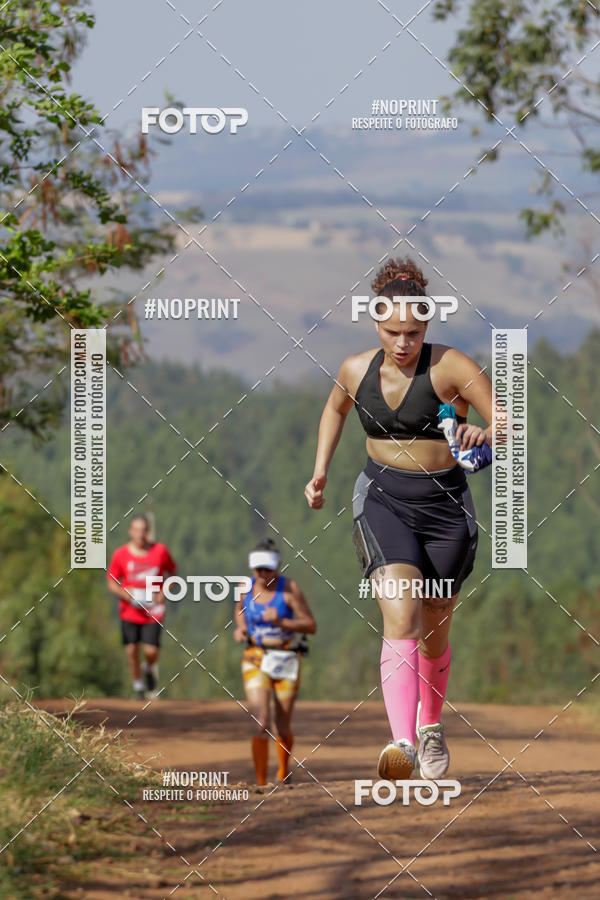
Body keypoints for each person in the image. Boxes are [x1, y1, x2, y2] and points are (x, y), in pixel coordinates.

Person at [304, 257, 493, 780]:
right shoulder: (354, 369)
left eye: (413, 332)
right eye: (392, 332)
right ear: (375, 323)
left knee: (434, 625)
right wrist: (320, 472)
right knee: (401, 614)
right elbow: (335, 410)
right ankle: (402, 744)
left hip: (446, 508)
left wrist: (485, 435)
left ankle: (430, 726)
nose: (403, 342)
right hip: (383, 500)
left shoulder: (451, 366)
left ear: (427, 325)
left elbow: (507, 418)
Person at [234, 539, 317, 786]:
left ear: (277, 566)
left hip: (286, 657)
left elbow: (310, 626)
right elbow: (239, 610)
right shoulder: (244, 587)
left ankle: (283, 772)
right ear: (252, 568)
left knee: (282, 725)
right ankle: (260, 782)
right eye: (258, 569)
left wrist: (283, 622)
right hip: (255, 656)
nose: (263, 574)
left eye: (268, 569)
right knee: (261, 720)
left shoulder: (289, 589)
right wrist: (241, 629)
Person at [107, 515, 176, 700]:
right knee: (131, 650)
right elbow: (112, 582)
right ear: (130, 532)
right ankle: (138, 684)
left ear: (148, 531)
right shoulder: (120, 554)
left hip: (153, 610)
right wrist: (125, 594)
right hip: (129, 610)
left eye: (144, 530)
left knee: (150, 651)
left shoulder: (160, 551)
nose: (140, 534)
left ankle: (148, 668)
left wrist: (165, 592)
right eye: (136, 530)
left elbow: (173, 573)